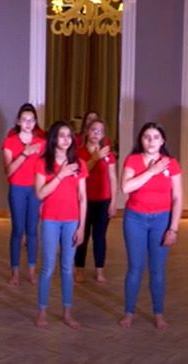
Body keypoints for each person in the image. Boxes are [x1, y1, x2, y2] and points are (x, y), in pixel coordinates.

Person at [119, 123, 183, 331]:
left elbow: (177, 198)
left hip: (161, 221)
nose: (151, 141)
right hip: (135, 219)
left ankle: (158, 313)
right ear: (141, 140)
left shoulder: (171, 164)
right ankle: (129, 312)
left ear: (162, 141)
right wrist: (152, 170)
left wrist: (173, 228)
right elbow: (126, 187)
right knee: (135, 268)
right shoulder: (133, 160)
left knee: (157, 270)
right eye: (147, 137)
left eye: (156, 137)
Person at [33, 121, 88, 329]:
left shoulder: (79, 163)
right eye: (62, 135)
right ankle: (42, 310)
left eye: (69, 135)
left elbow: (83, 197)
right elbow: (40, 194)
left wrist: (82, 226)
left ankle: (67, 311)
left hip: (72, 220)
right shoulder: (42, 163)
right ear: (54, 138)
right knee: (48, 267)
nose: (66, 139)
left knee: (67, 267)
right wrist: (60, 175)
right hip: (50, 219)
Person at [2, 103, 46, 286]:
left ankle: (32, 271)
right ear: (18, 121)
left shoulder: (42, 144)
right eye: (24, 120)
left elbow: (45, 171)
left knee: (32, 231)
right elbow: (9, 171)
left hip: (35, 190)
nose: (28, 123)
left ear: (35, 122)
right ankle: (15, 272)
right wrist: (25, 154)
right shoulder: (9, 142)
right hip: (17, 189)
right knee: (18, 231)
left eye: (31, 120)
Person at [74, 119, 117, 284]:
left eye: (100, 131)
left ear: (103, 135)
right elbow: (81, 172)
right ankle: (79, 269)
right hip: (84, 201)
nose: (96, 134)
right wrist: (95, 157)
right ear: (87, 131)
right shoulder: (79, 153)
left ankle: (100, 270)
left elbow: (112, 178)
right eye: (93, 130)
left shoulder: (109, 155)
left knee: (100, 237)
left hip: (103, 200)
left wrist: (113, 202)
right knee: (82, 235)